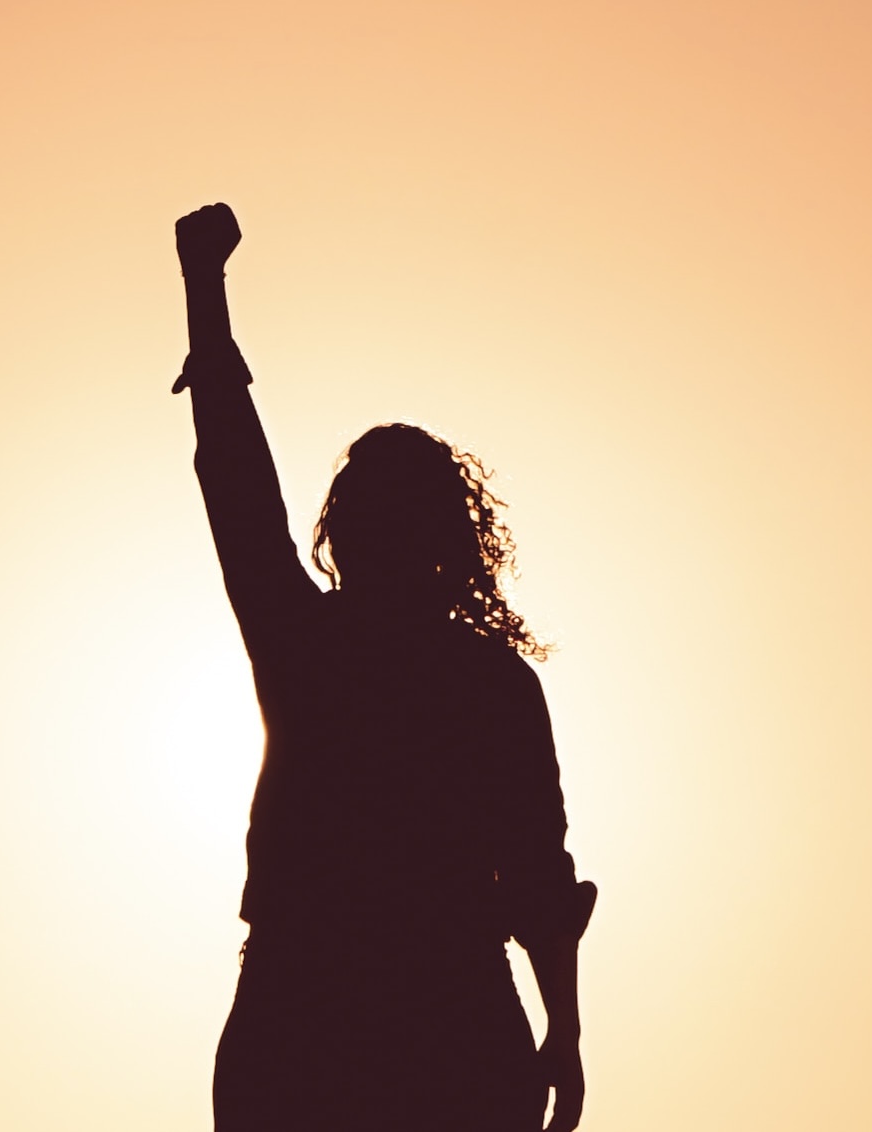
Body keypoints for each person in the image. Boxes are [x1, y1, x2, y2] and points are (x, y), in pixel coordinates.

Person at [171, 202, 596, 1132]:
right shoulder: (473, 681)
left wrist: (205, 291)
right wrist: (562, 1030)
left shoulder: (319, 648)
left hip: (358, 1016)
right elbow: (234, 477)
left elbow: (536, 875)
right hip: (388, 1013)